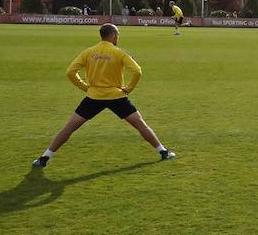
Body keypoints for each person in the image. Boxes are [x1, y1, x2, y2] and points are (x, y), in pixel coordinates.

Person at [32, 24, 175, 167]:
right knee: (141, 125)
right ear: (113, 35)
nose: (118, 37)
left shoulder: (88, 52)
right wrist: (128, 89)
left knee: (69, 128)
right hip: (117, 97)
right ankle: (163, 152)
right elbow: (137, 71)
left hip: (93, 97)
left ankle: (44, 158)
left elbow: (70, 72)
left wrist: (85, 87)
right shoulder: (119, 53)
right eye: (117, 34)